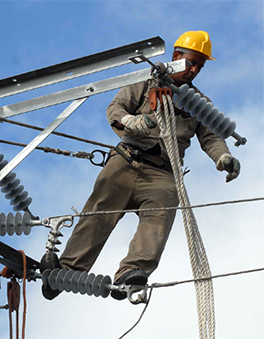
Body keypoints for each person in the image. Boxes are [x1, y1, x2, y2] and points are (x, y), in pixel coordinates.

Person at [43, 31, 240, 300]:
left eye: (199, 66)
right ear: (176, 57)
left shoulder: (197, 103)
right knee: (98, 215)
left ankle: (132, 272)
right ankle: (67, 270)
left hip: (162, 173)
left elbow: (211, 136)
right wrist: (130, 122)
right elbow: (116, 108)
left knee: (159, 220)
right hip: (126, 161)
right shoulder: (145, 82)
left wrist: (223, 157)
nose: (194, 70)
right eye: (191, 62)